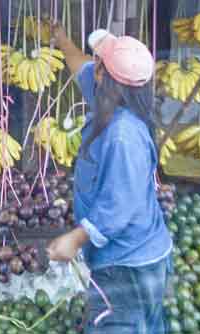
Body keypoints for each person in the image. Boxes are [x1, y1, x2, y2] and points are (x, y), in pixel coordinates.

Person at [46, 27, 173, 334]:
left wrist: (73, 240)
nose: (93, 65)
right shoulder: (114, 95)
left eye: (98, 61)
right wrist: (62, 39)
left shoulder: (123, 136)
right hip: (135, 257)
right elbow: (81, 68)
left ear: (105, 74)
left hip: (129, 266)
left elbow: (118, 208)